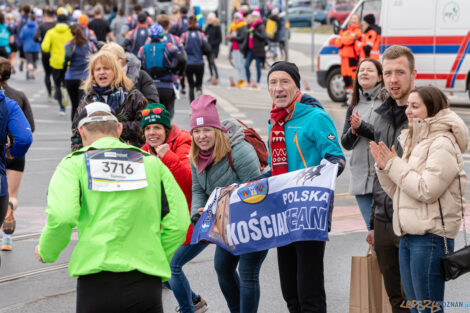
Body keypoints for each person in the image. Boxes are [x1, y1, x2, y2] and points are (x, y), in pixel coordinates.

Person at [35, 101, 189, 313]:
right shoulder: (152, 164)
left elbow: (62, 216)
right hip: (145, 280)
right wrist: (156, 256)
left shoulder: (73, 164)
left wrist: (47, 251)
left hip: (96, 281)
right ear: (118, 129)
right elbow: (179, 222)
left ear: (81, 131)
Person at [371, 85, 468, 313]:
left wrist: (394, 165)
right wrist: (385, 168)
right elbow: (399, 193)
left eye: (415, 106)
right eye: (408, 106)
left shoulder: (442, 143)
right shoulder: (414, 140)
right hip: (408, 236)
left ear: (432, 109)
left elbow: (426, 190)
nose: (408, 111)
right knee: (416, 309)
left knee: (427, 310)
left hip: (429, 237)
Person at [266, 61, 345, 313]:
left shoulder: (315, 117)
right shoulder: (275, 121)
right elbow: (278, 168)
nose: (278, 88)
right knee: (290, 291)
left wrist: (308, 180)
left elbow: (336, 159)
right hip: (282, 213)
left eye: (284, 82)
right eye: (273, 82)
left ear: (296, 85)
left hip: (309, 212)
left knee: (308, 290)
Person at [189, 95, 267, 313]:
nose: (202, 136)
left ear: (217, 130)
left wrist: (218, 205)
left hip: (253, 219)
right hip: (227, 223)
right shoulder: (194, 156)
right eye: (196, 131)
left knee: (247, 272)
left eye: (207, 130)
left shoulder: (239, 151)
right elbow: (198, 190)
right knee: (222, 268)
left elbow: (255, 190)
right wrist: (198, 213)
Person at [140, 103, 209, 313]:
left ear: (166, 129)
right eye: (148, 129)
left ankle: (188, 309)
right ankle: (195, 300)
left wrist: (167, 156)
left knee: (171, 267)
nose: (152, 133)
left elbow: (190, 181)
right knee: (157, 269)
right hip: (170, 221)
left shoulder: (184, 143)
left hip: (194, 218)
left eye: (157, 128)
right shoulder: (144, 152)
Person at [366, 45, 416, 313]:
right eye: (388, 73)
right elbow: (379, 174)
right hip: (385, 221)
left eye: (400, 72)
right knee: (396, 300)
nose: (393, 79)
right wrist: (373, 224)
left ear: (413, 74)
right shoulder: (381, 115)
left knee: (420, 301)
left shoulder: (422, 115)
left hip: (414, 221)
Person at [71, 51, 148, 151]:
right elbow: (76, 133)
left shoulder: (133, 96)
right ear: (93, 74)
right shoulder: (87, 100)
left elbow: (146, 126)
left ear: (116, 71)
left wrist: (115, 127)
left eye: (106, 68)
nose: (101, 72)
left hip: (128, 156)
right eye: (98, 69)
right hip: (95, 156)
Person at [341, 58, 385, 230]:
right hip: (360, 177)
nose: (364, 73)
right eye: (361, 70)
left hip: (382, 178)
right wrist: (353, 132)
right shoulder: (353, 106)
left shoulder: (386, 102)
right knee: (372, 230)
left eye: (370, 70)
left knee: (383, 232)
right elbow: (346, 144)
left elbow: (386, 136)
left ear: (380, 77)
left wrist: (362, 127)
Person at [0, 57, 34, 251]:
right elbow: (29, 130)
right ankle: (6, 238)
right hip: (12, 154)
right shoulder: (17, 97)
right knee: (11, 195)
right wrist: (13, 151)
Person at [138, 24, 185, 118]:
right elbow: (182, 59)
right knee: (167, 117)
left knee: (149, 117)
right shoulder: (168, 46)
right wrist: (177, 71)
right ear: (162, 35)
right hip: (166, 86)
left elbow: (138, 65)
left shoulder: (143, 48)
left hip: (149, 88)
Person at [41, 13, 73, 115]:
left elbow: (44, 47)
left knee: (57, 84)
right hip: (69, 62)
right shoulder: (71, 31)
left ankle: (62, 108)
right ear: (67, 21)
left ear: (57, 21)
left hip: (55, 62)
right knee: (66, 82)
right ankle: (66, 90)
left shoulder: (51, 32)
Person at [64, 24, 97, 121]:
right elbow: (95, 58)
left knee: (74, 105)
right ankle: (81, 127)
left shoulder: (69, 45)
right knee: (82, 104)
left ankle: (74, 129)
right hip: (85, 78)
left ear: (71, 33)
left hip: (71, 77)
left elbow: (66, 60)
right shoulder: (90, 44)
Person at [335, 13, 362, 106]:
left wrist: (344, 39)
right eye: (352, 19)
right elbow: (337, 42)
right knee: (346, 79)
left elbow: (347, 40)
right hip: (344, 59)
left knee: (353, 79)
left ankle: (353, 100)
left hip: (352, 58)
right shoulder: (345, 31)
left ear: (358, 21)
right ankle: (347, 100)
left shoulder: (358, 31)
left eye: (355, 19)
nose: (353, 21)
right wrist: (345, 39)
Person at [181, 16, 207, 103]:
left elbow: (181, 48)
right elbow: (206, 47)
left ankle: (192, 106)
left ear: (188, 23)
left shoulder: (184, 35)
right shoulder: (201, 35)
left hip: (189, 63)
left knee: (191, 86)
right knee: (199, 84)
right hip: (199, 62)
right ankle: (199, 93)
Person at [33, 6, 55, 101]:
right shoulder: (56, 25)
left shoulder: (42, 26)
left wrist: (41, 41)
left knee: (47, 74)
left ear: (45, 15)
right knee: (55, 73)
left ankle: (49, 93)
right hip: (55, 52)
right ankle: (56, 90)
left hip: (45, 52)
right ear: (54, 15)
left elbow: (35, 37)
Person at [244, 10, 266, 88]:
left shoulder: (261, 26)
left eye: (255, 17)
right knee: (246, 65)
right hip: (250, 49)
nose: (253, 18)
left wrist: (255, 32)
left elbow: (263, 37)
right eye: (253, 17)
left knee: (257, 67)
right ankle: (249, 81)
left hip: (258, 49)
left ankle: (258, 82)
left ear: (258, 17)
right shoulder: (250, 26)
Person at [227, 12, 248, 88]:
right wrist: (230, 38)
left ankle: (243, 80)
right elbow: (233, 37)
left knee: (241, 65)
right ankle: (239, 80)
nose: (235, 20)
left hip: (240, 49)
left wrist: (232, 38)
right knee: (237, 65)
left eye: (237, 18)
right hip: (234, 48)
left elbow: (241, 38)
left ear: (240, 19)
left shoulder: (243, 27)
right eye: (234, 18)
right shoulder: (233, 27)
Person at [19, 15, 40, 80]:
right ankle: (34, 74)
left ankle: (28, 73)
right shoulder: (37, 27)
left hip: (27, 47)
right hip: (36, 47)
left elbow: (21, 36)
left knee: (29, 61)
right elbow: (40, 37)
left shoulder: (24, 28)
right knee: (34, 61)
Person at [203, 13, 221, 85]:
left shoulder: (217, 27)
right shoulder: (208, 27)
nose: (209, 20)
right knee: (209, 63)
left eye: (210, 19)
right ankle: (212, 76)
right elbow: (204, 34)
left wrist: (212, 43)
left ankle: (216, 76)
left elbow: (219, 39)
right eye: (208, 19)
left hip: (214, 48)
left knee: (212, 61)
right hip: (208, 48)